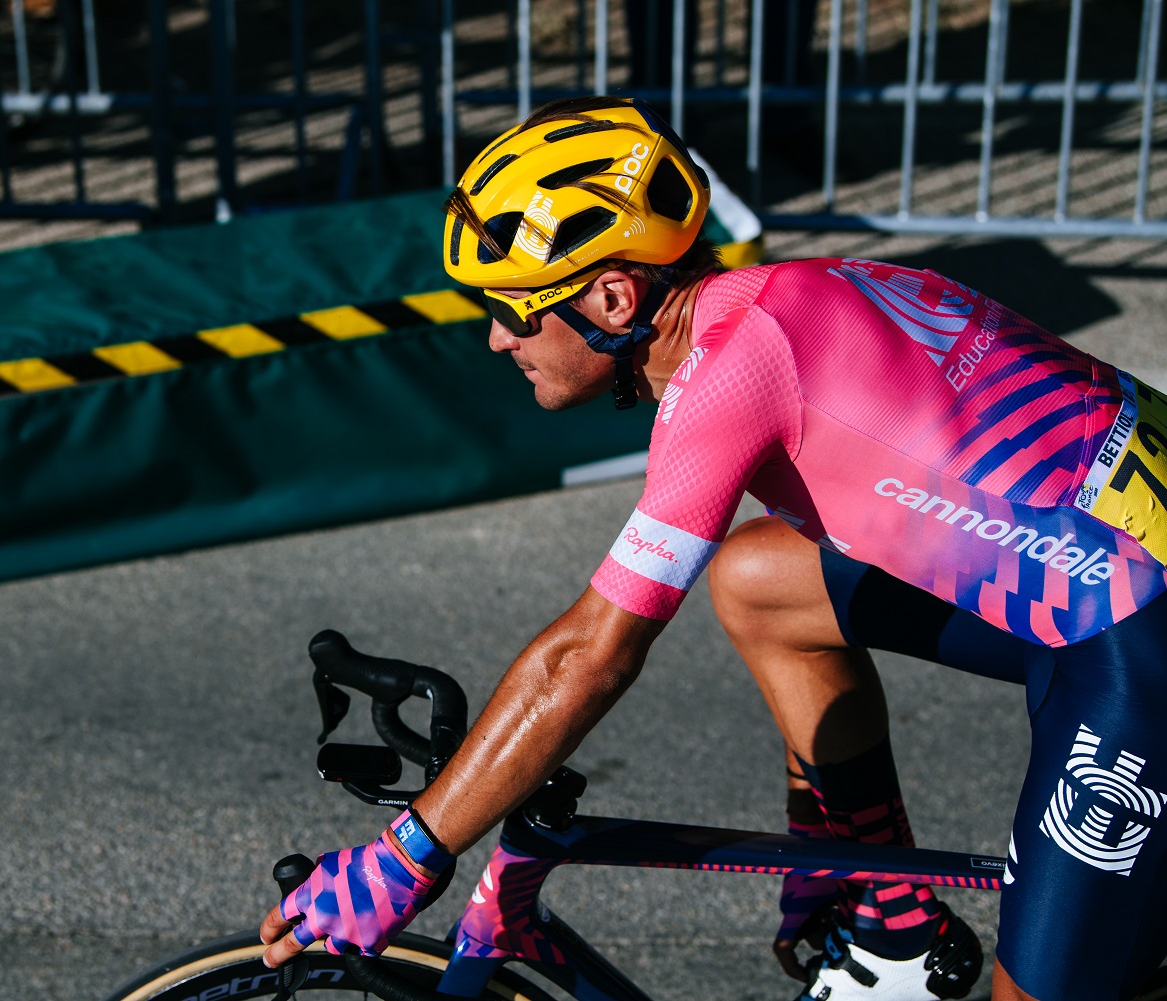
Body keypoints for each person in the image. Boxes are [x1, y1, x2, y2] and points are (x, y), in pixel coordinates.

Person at [259, 96, 1167, 1001]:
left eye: (514, 310)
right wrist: (825, 837)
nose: (497, 337)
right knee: (758, 574)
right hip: (1108, 573)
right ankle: (889, 918)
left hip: (1132, 644)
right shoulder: (792, 292)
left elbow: (593, 653)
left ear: (613, 297)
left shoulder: (728, 380)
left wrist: (405, 856)